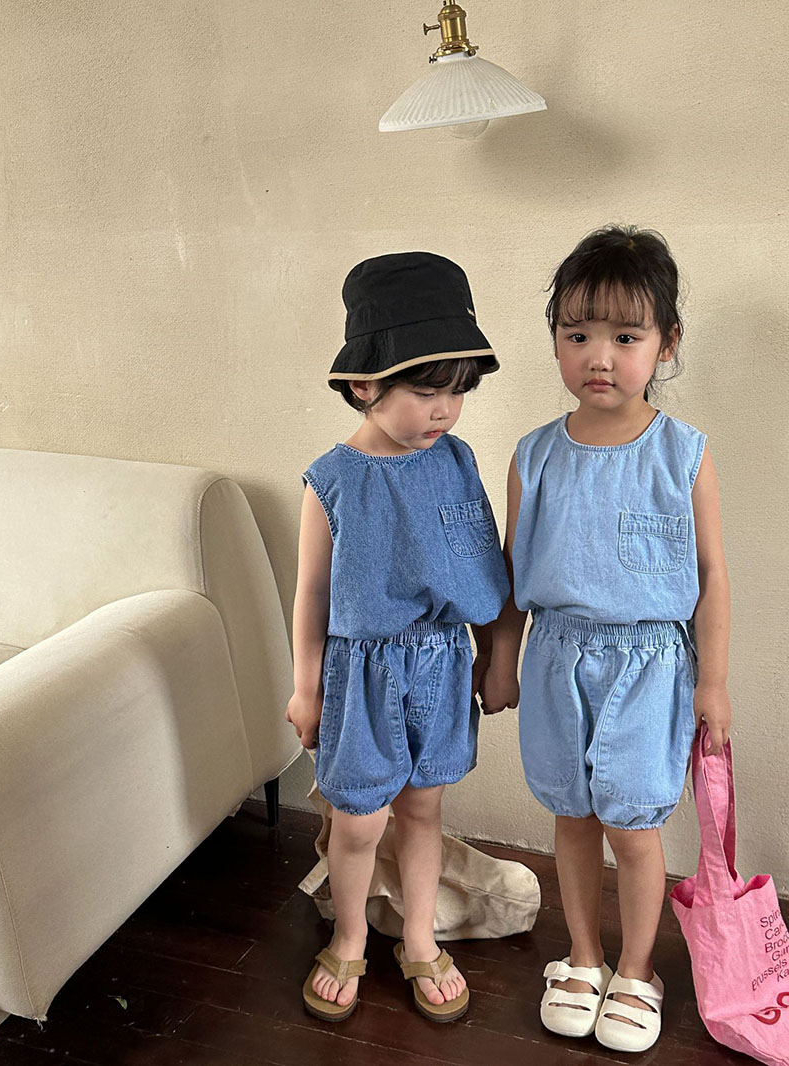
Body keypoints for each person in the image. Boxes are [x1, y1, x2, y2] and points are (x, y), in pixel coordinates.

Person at [481, 225, 731, 1053]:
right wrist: (503, 660)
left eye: (626, 337)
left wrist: (714, 682)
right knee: (573, 812)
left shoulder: (682, 454)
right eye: (577, 334)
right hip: (556, 657)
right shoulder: (534, 456)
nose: (599, 356)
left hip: (651, 664)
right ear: (555, 339)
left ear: (666, 343)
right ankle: (583, 956)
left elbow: (711, 576)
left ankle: (636, 968)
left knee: (633, 823)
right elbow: (512, 571)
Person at [287, 251, 509, 1023]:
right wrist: (306, 687)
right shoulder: (331, 479)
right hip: (360, 672)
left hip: (441, 666)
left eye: (458, 391)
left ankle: (418, 936)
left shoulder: (457, 462)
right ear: (364, 384)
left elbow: (480, 561)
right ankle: (349, 935)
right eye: (425, 390)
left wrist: (494, 654)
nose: (444, 410)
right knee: (358, 821)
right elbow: (313, 593)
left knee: (423, 812)